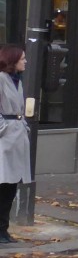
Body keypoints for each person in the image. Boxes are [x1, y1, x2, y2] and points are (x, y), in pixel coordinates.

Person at [0, 43, 31, 245]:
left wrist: (23, 125)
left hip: (16, 136)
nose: (25, 61)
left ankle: (3, 230)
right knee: (3, 185)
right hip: (5, 141)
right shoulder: (1, 80)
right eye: (22, 58)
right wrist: (4, 128)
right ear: (12, 61)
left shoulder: (16, 81)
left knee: (10, 187)